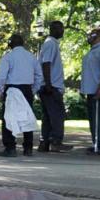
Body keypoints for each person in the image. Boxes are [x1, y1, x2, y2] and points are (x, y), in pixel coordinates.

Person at [0, 34, 41, 156]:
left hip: (13, 89)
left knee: (8, 117)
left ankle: (10, 147)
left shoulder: (8, 57)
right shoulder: (31, 57)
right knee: (27, 116)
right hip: (27, 89)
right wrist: (34, 89)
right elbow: (39, 75)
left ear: (10, 44)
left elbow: (1, 76)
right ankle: (28, 147)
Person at [37, 21, 68, 151]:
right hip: (51, 86)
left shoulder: (50, 43)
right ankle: (56, 141)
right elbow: (46, 63)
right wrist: (48, 83)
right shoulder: (50, 43)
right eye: (60, 28)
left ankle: (44, 143)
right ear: (53, 29)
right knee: (57, 115)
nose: (62, 31)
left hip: (49, 86)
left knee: (48, 116)